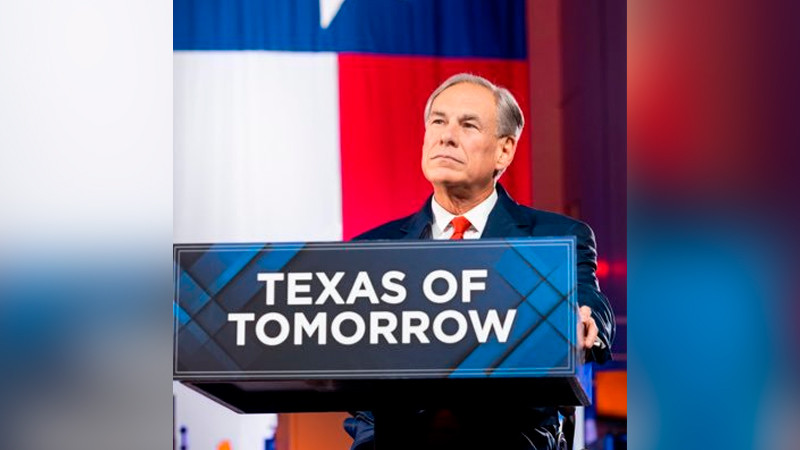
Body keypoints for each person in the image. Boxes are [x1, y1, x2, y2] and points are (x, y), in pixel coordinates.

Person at [344, 73, 615, 450]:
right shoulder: (370, 249)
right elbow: (359, 373)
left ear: (504, 150)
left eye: (468, 124)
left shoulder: (556, 238)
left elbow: (589, 303)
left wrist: (586, 323)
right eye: (438, 121)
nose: (446, 136)